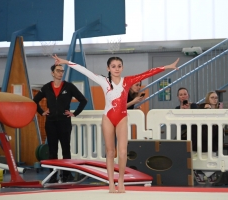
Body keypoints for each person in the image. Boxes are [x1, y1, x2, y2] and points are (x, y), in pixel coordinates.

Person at [52, 54, 179, 193]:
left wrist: (166, 67)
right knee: (110, 151)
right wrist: (65, 61)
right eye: (113, 66)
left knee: (123, 152)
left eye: (119, 66)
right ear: (108, 68)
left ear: (122, 67)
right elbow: (83, 70)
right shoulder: (103, 81)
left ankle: (121, 181)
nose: (116, 69)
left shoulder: (128, 81)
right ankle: (111, 182)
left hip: (122, 118)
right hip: (108, 118)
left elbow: (147, 73)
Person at [33, 64, 87, 183]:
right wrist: (42, 112)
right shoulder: (46, 87)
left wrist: (74, 113)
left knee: (66, 149)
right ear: (52, 73)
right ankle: (53, 175)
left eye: (62, 71)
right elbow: (34, 101)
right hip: (51, 123)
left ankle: (67, 175)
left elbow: (83, 100)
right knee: (53, 150)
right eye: (58, 71)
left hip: (64, 122)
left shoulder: (69, 86)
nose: (60, 73)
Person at [193, 91, 220, 184]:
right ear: (208, 99)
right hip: (203, 137)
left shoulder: (220, 112)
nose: (214, 99)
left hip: (214, 140)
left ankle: (208, 174)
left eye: (216, 97)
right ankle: (199, 172)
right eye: (212, 97)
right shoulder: (201, 108)